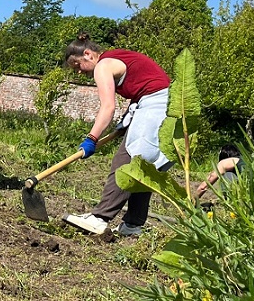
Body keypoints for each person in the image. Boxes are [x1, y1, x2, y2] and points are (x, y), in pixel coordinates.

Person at [61, 33, 172, 237]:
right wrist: (130, 115)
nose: (78, 73)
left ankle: (100, 217)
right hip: (170, 108)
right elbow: (145, 83)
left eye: (77, 66)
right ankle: (133, 225)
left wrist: (91, 139)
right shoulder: (116, 57)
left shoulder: (103, 65)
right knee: (145, 168)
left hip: (156, 107)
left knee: (126, 162)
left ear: (87, 54)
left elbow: (107, 107)